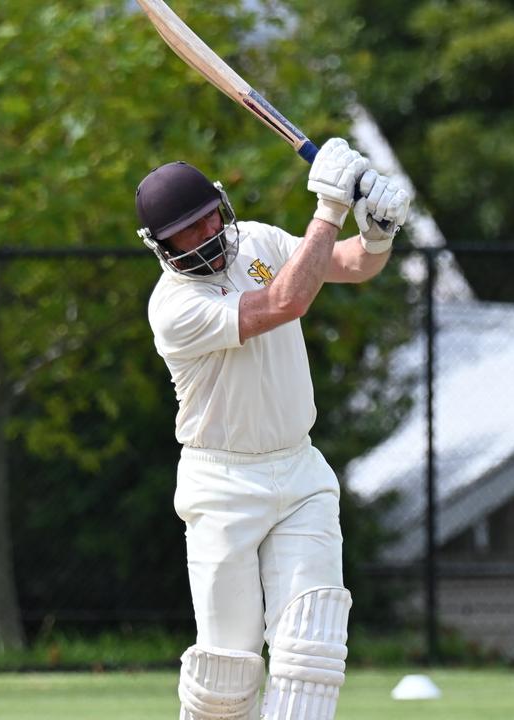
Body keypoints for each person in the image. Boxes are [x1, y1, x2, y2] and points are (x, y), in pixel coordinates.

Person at [136, 138, 410, 720]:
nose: (205, 233)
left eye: (208, 215)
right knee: (226, 677)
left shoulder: (257, 239)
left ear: (221, 202)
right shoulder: (173, 307)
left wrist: (379, 232)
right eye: (185, 230)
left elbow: (348, 264)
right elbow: (284, 303)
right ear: (160, 246)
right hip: (222, 485)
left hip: (298, 471)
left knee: (311, 652)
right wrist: (330, 207)